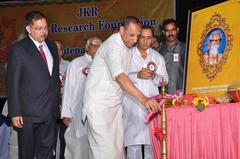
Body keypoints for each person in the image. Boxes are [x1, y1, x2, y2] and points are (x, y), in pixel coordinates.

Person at [82, 16, 160, 159]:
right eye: (132, 35)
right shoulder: (113, 46)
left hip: (114, 107)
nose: (135, 40)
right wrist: (144, 99)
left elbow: (127, 76)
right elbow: (120, 77)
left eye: (138, 35)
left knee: (118, 153)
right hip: (99, 107)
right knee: (105, 152)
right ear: (122, 30)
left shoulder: (128, 47)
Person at [7, 11, 60, 159]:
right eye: (39, 28)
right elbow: (13, 82)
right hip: (27, 114)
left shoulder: (52, 46)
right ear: (29, 29)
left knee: (48, 153)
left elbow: (53, 79)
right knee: (27, 154)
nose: (44, 31)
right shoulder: (18, 49)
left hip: (50, 112)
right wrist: (15, 111)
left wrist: (58, 102)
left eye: (46, 27)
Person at [123, 26, 168, 159]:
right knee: (133, 144)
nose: (145, 41)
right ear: (137, 37)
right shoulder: (128, 54)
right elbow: (119, 77)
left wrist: (155, 76)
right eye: (142, 37)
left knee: (151, 144)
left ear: (152, 39)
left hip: (152, 104)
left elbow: (165, 80)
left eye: (148, 38)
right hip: (132, 103)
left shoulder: (158, 57)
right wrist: (137, 74)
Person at [61, 36, 102, 159]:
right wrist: (66, 113)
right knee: (79, 146)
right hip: (78, 111)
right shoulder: (76, 63)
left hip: (98, 112)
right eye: (95, 46)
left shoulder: (104, 64)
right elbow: (68, 89)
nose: (99, 49)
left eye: (101, 46)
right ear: (87, 47)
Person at [159, 18, 185, 95]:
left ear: (177, 30)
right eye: (167, 31)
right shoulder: (158, 51)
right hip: (163, 95)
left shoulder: (186, 48)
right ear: (163, 32)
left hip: (182, 95)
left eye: (173, 30)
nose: (170, 33)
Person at [54, 40, 69, 159]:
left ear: (62, 51)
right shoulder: (45, 65)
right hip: (50, 108)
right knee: (49, 141)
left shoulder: (70, 65)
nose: (57, 52)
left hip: (65, 109)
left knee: (65, 140)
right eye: (54, 48)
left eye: (59, 49)